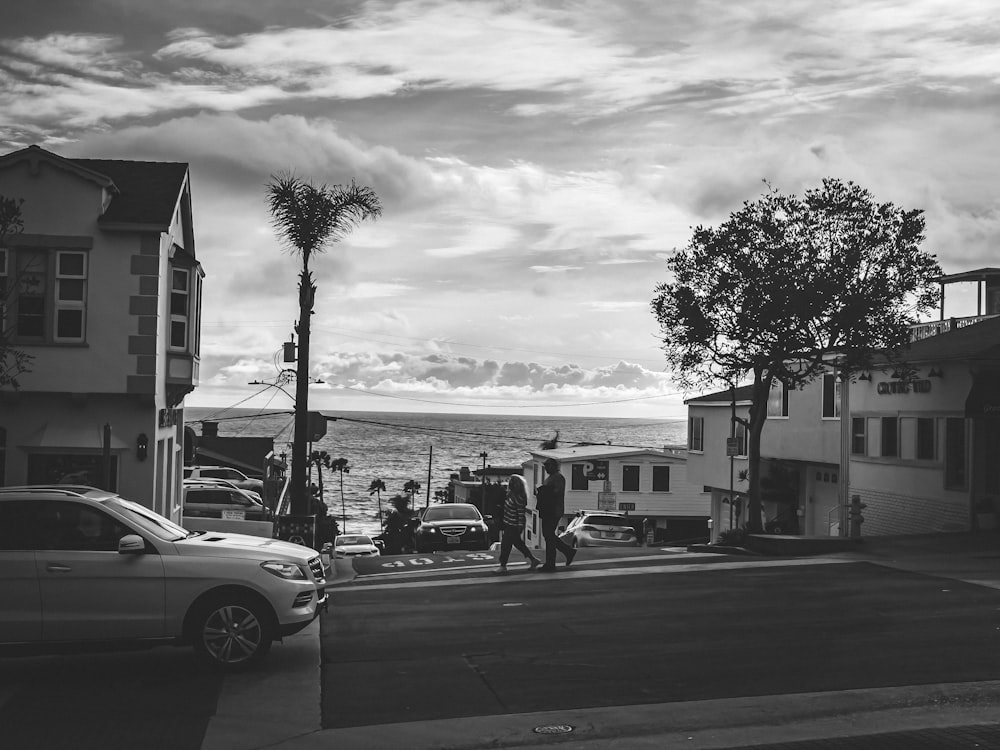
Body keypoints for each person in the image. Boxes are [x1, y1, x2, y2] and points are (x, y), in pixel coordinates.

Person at [534, 457, 576, 571]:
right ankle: (567, 551)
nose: (546, 468)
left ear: (554, 466)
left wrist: (543, 491)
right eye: (545, 466)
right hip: (548, 510)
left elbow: (556, 492)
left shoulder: (558, 478)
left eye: (548, 465)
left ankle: (551, 563)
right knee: (548, 535)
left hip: (553, 510)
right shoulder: (552, 477)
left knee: (548, 535)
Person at [494, 475, 541, 574]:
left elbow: (520, 513)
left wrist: (520, 526)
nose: (509, 484)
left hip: (513, 525)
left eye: (512, 482)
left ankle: (503, 565)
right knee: (518, 544)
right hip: (508, 523)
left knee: (505, 545)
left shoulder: (519, 497)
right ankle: (533, 559)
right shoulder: (510, 494)